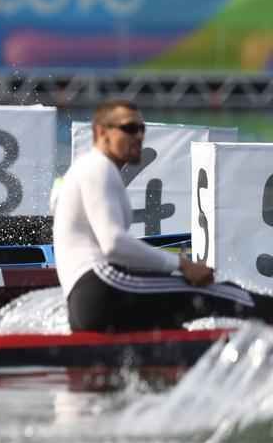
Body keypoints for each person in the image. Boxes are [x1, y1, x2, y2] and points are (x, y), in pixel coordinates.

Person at [54, 99, 272, 331]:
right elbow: (114, 244)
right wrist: (182, 265)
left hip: (83, 304)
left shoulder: (82, 170)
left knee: (172, 324)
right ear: (101, 132)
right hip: (103, 287)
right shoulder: (99, 167)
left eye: (141, 129)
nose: (138, 136)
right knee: (225, 293)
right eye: (129, 129)